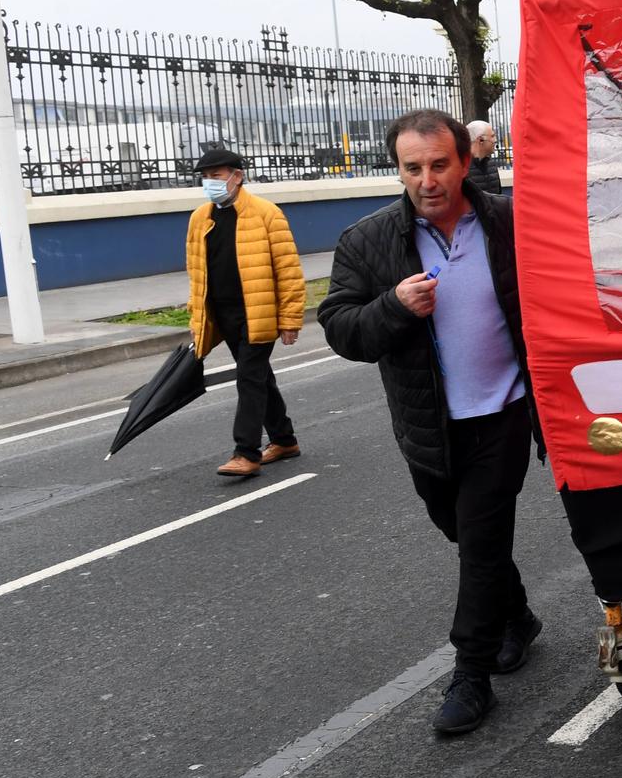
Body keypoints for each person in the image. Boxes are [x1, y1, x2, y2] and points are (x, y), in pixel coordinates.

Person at [319, 109, 543, 735]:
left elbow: (555, 293)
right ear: (399, 170)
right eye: (412, 167)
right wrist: (392, 306)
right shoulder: (368, 242)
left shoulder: (507, 223)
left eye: (439, 165)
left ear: (465, 163)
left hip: (501, 414)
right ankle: (518, 617)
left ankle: (470, 675)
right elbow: (340, 327)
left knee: (480, 539)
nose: (428, 179)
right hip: (429, 429)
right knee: (469, 537)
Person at [184, 148, 304, 478]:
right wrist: (198, 321)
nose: (210, 183)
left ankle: (246, 452)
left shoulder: (266, 214)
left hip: (258, 312)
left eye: (217, 176)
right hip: (222, 315)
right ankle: (284, 439)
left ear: (237, 177)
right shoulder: (200, 218)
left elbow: (288, 268)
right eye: (206, 177)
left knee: (249, 378)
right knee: (259, 377)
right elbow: (196, 274)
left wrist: (290, 318)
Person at [466, 120, 504, 196]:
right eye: (492, 136)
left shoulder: (492, 165)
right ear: (481, 140)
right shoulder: (461, 168)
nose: (495, 140)